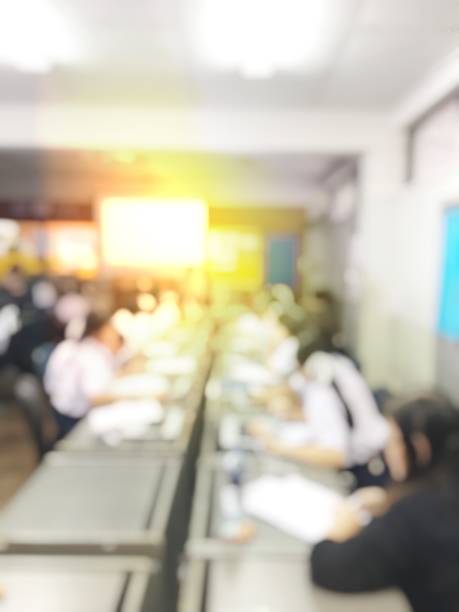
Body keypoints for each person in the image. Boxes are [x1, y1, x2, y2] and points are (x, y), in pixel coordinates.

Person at [310, 393, 459, 612]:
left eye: (394, 441)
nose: (387, 450)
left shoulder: (415, 513)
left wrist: (339, 529)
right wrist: (388, 500)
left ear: (420, 446)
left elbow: (330, 569)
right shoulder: (441, 491)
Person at [249, 333, 388, 486]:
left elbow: (337, 455)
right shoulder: (337, 365)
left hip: (369, 470)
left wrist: (277, 446)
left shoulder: (321, 390)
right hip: (378, 453)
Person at [43, 312, 125, 438]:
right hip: (73, 421)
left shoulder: (74, 346)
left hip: (59, 411)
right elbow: (95, 398)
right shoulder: (90, 354)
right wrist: (135, 396)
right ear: (102, 331)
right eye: (112, 329)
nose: (116, 334)